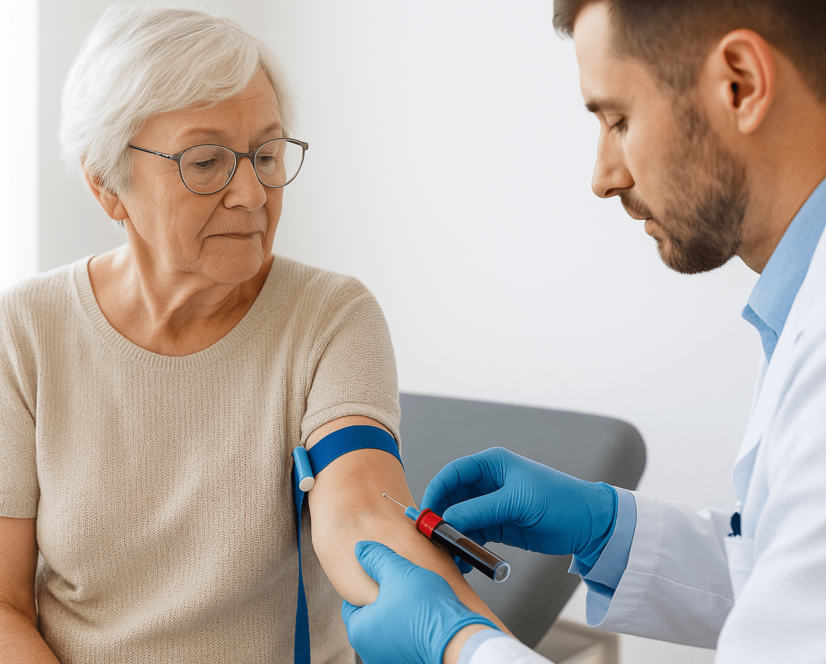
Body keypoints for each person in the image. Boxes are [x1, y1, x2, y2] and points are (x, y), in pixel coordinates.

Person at [341, 0, 826, 662]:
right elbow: (797, 579)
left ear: (740, 83)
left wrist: (460, 647)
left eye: (620, 120)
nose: (605, 177)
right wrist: (612, 531)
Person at [0, 6, 502, 663]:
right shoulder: (25, 332)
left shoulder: (329, 315)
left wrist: (482, 648)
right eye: (206, 162)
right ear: (108, 186)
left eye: (266, 154)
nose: (251, 192)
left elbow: (359, 512)